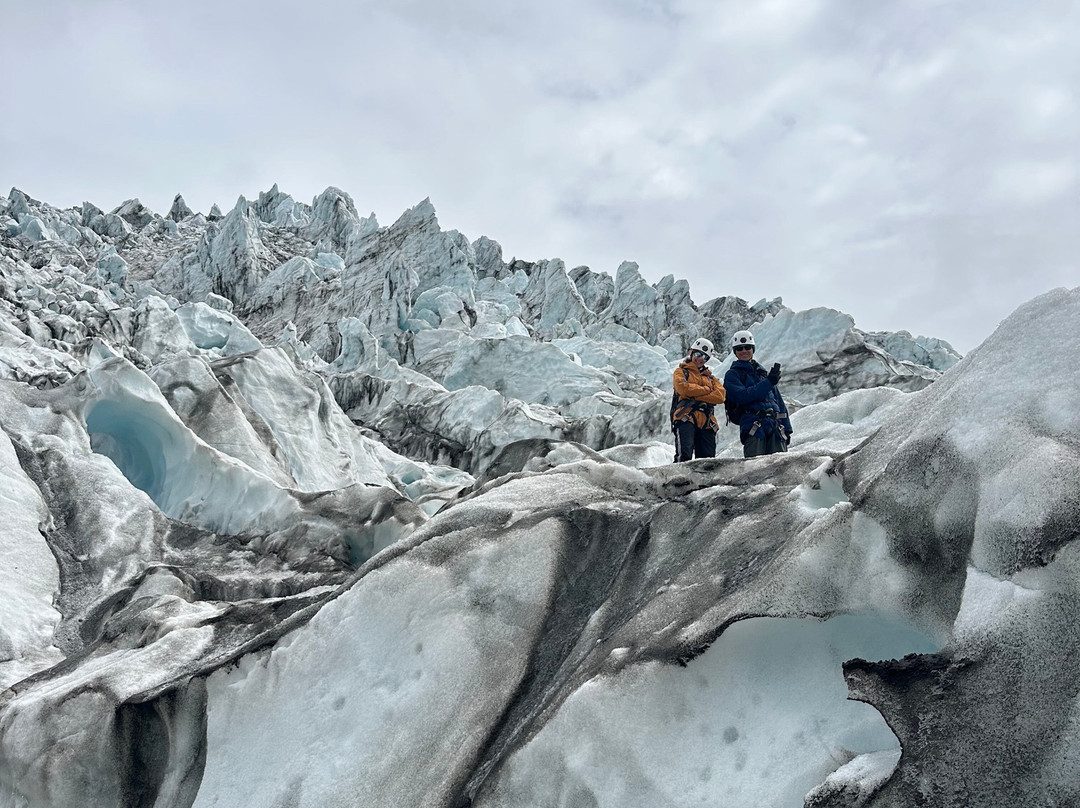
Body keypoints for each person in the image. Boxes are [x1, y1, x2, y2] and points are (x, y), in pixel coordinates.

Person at [723, 330, 793, 458]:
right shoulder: (732, 375)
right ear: (735, 352)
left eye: (747, 347)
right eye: (739, 348)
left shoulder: (763, 374)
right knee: (755, 471)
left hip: (776, 427)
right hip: (753, 427)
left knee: (779, 470)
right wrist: (768, 382)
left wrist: (787, 429)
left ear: (753, 349)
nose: (744, 351)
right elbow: (742, 396)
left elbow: (779, 402)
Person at [671, 337, 727, 462]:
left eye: (705, 357)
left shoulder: (711, 378)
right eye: (697, 354)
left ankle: (704, 482)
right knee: (684, 457)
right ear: (691, 352)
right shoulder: (681, 372)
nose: (700, 359)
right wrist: (707, 390)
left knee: (707, 462)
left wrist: (693, 393)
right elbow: (683, 389)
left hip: (707, 421)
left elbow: (720, 396)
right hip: (686, 416)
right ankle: (679, 481)